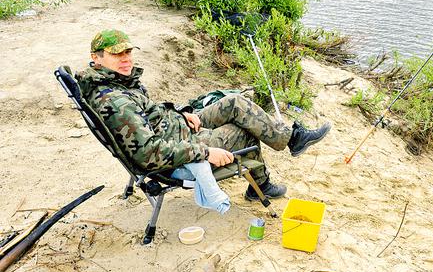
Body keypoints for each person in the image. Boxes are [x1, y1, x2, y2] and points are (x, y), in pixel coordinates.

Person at [77, 29, 330, 214]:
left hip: (178, 127)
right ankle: (260, 186)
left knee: (234, 102)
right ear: (96, 58)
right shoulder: (116, 102)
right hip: (180, 145)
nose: (126, 59)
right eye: (117, 54)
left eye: (128, 52)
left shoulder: (115, 83)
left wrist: (180, 112)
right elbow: (148, 152)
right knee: (243, 132)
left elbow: (148, 113)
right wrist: (205, 152)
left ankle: (292, 139)